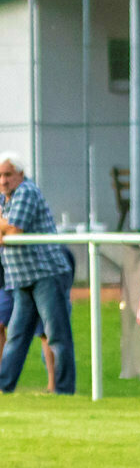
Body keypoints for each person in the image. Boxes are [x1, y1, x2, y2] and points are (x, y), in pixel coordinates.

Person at [0, 151, 75, 394]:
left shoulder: (26, 191)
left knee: (56, 336)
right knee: (17, 336)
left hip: (46, 274)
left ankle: (63, 390)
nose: (3, 180)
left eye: (8, 174)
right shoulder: (5, 198)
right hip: (22, 277)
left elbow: (14, 232)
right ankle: (4, 387)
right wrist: (5, 227)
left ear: (21, 174)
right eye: (0, 175)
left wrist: (5, 228)